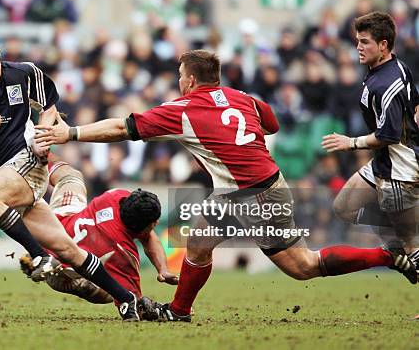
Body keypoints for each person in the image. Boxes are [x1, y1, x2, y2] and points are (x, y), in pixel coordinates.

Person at [35, 49, 419, 323]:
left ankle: (180, 311)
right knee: (301, 266)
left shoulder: (184, 108)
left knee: (205, 246)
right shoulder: (243, 98)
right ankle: (391, 255)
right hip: (267, 185)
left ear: (189, 79)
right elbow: (272, 125)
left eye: (180, 77)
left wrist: (71, 132)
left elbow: (123, 127)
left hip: (246, 193)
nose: (178, 82)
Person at [0, 30, 142, 321]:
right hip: (2, 175)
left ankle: (39, 256)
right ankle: (127, 299)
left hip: (28, 162)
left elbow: (50, 105)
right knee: (67, 250)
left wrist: (43, 136)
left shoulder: (24, 72)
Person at [19, 155, 177, 317]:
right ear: (139, 227)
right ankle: (50, 261)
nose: (156, 225)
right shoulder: (123, 253)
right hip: (65, 271)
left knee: (70, 176)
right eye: (153, 223)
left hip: (59, 221)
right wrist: (149, 308)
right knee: (106, 288)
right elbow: (132, 301)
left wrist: (163, 269)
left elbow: (148, 235)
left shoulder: (117, 196)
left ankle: (32, 156)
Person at [322, 11, 418, 260]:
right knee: (344, 207)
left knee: (412, 247)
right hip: (383, 163)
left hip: (400, 170)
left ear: (383, 45)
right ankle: (397, 251)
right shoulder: (391, 66)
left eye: (365, 42)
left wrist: (350, 143)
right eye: (357, 41)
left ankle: (404, 251)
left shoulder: (387, 83)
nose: (358, 47)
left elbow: (389, 135)